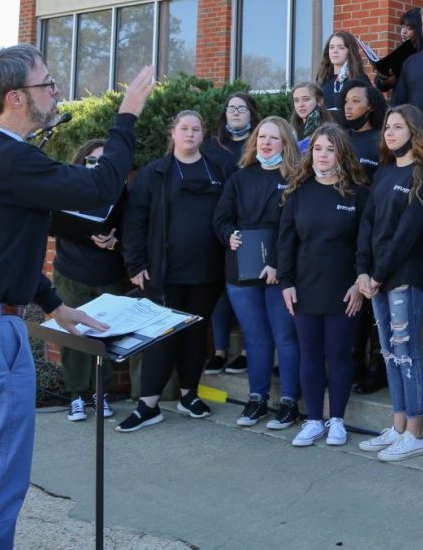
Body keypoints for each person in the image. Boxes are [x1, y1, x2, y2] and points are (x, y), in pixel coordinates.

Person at [0, 46, 152, 549]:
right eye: (46, 84)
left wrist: (53, 304)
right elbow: (99, 189)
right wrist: (127, 116)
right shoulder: (10, 159)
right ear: (15, 97)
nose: (55, 92)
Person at [118, 109, 231, 432]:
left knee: (196, 336)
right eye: (184, 128)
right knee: (161, 338)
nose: (190, 134)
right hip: (163, 274)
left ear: (203, 134)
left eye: (196, 129)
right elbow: (134, 223)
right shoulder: (155, 173)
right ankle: (148, 405)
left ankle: (188, 395)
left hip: (207, 273)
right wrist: (136, 264)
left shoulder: (219, 171)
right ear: (173, 133)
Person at [356, 104, 423, 462]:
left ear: (414, 132)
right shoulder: (385, 172)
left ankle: (416, 432)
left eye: (397, 127)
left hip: (403, 277)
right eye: (387, 127)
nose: (389, 133)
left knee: (407, 354)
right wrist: (363, 271)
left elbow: (406, 235)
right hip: (376, 277)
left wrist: (378, 275)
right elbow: (367, 224)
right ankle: (397, 425)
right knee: (389, 353)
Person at [278, 124, 369, 447]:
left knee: (340, 355)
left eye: (330, 149)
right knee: (310, 355)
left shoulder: (357, 192)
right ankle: (314, 420)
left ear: (341, 153)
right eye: (318, 149)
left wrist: (359, 283)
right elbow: (285, 243)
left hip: (345, 290)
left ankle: (337, 420)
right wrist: (286, 283)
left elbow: (364, 243)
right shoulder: (297, 192)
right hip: (304, 288)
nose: (324, 155)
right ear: (310, 153)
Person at [214, 116, 303, 430]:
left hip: (280, 272)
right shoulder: (239, 178)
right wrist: (229, 235)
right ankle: (257, 399)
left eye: (274, 138)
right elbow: (220, 218)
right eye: (262, 137)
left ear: (285, 144)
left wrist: (278, 264)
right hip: (241, 271)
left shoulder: (295, 178)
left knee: (286, 338)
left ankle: (290, 402)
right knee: (256, 338)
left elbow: (294, 229)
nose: (266, 143)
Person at [50, 139, 136, 421]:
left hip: (109, 276)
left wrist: (115, 240)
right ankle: (77, 395)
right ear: (81, 161)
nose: (98, 166)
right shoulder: (68, 189)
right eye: (92, 160)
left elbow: (135, 233)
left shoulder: (123, 194)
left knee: (104, 336)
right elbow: (52, 224)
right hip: (72, 275)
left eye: (104, 161)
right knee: (74, 336)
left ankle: (102, 392)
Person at [338, 79, 389, 394]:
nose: (348, 106)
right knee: (349, 303)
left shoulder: (379, 140)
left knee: (371, 303)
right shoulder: (339, 138)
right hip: (339, 229)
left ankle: (377, 366)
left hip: (370, 230)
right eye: (345, 101)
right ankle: (353, 361)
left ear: (370, 105)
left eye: (355, 101)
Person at [206, 91, 261, 375]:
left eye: (242, 108)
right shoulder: (213, 146)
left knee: (247, 287)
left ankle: (249, 350)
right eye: (231, 108)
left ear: (251, 113)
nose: (236, 112)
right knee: (219, 289)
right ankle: (219, 350)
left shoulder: (259, 145)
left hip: (252, 226)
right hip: (218, 223)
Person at [315, 32, 370, 115]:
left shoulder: (359, 79)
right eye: (331, 47)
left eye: (341, 48)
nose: (335, 51)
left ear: (350, 51)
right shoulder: (322, 79)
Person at [291, 81, 336, 147]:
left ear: (320, 101)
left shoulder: (330, 132)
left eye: (306, 99)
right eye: (296, 100)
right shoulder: (292, 132)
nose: (301, 105)